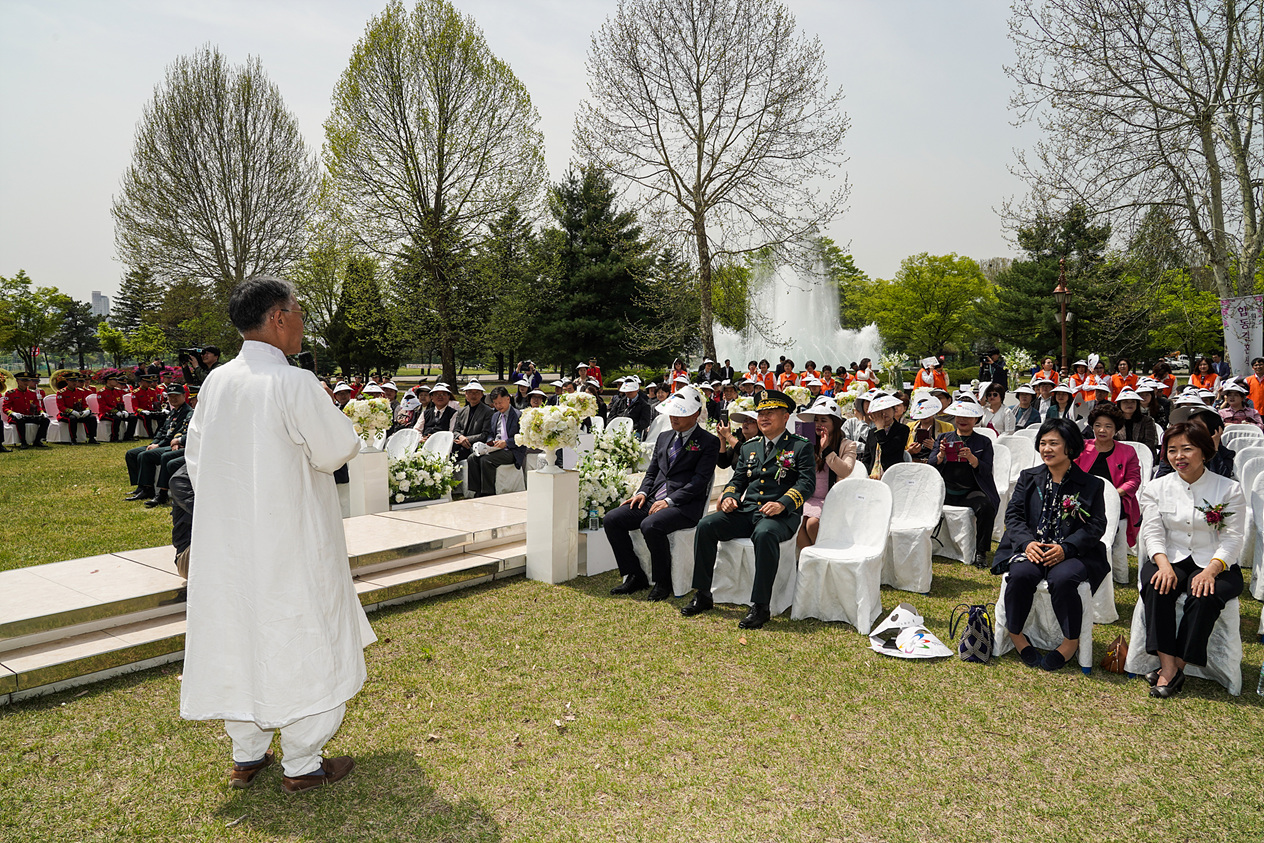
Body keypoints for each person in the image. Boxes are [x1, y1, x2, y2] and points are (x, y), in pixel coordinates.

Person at [181, 276, 371, 793]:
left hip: (232, 540)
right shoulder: (293, 383)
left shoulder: (217, 382)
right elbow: (335, 448)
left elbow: (195, 459)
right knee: (304, 630)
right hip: (291, 538)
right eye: (300, 314)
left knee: (239, 631)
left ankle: (247, 754)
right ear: (278, 318)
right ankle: (303, 762)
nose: (303, 325)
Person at [683, 389, 815, 629]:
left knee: (764, 533)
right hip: (748, 511)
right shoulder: (749, 447)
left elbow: (806, 483)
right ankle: (703, 594)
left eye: (771, 413)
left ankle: (761, 606)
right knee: (706, 526)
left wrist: (782, 503)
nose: (764, 418)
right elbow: (738, 480)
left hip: (780, 515)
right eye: (761, 413)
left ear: (786, 417)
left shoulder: (800, 446)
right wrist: (730, 497)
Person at [1138, 422, 1246, 698]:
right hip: (1170, 556)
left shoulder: (1229, 490)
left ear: (1205, 451)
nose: (1179, 456)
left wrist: (1211, 570)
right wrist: (1162, 565)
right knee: (1156, 585)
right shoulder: (1155, 487)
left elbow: (1232, 539)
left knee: (1205, 595)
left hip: (1215, 561)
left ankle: (1174, 668)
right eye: (1172, 450)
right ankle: (1167, 665)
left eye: (1187, 449)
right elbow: (1152, 532)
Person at [995, 417, 1109, 670]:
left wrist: (1066, 548)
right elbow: (1013, 516)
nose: (1046, 449)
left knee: (1063, 579)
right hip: (1032, 548)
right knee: (1021, 574)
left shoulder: (1091, 485)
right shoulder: (1029, 477)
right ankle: (1016, 634)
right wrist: (1026, 544)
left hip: (1071, 552)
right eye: (1043, 443)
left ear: (1070, 447)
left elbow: (1096, 526)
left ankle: (1070, 642)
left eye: (1054, 443)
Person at [605, 389, 720, 600]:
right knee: (612, 519)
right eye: (672, 413)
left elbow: (699, 481)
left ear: (695, 415)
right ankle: (635, 575)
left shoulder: (708, 441)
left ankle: (662, 581)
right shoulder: (664, 437)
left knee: (651, 525)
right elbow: (652, 471)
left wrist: (670, 500)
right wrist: (641, 492)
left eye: (680, 413)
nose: (674, 418)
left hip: (683, 506)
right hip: (653, 499)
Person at [928, 400, 1000, 567]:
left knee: (986, 507)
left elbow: (986, 470)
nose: (963, 420)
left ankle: (981, 551)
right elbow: (930, 466)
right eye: (960, 416)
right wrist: (940, 455)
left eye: (968, 417)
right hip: (945, 490)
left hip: (970, 491)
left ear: (976, 420)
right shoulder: (943, 438)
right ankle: (927, 543)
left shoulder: (983, 442)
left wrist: (972, 458)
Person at [1076, 402, 1142, 550]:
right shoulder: (1083, 447)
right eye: (1097, 425)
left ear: (1116, 429)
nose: (1102, 430)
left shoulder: (1128, 451)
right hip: (1083, 499)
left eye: (1108, 426)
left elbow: (1134, 480)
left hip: (1116, 501)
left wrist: (1112, 495)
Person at [795, 397, 857, 552]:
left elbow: (845, 470)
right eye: (816, 420)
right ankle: (810, 560)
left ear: (835, 423)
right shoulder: (808, 440)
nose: (818, 424)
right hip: (807, 496)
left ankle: (823, 556)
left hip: (830, 498)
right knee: (795, 522)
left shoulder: (847, 444)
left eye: (824, 420)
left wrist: (827, 450)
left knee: (812, 523)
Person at [124, 384, 194, 502]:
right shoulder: (173, 412)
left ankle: (149, 489)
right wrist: (154, 442)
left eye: (176, 396)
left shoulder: (186, 412)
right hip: (161, 442)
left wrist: (158, 445)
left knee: (145, 455)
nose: (173, 399)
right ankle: (140, 486)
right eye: (170, 396)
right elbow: (162, 430)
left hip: (169, 444)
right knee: (131, 453)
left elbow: (174, 434)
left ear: (184, 396)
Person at [465, 386, 524, 498]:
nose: (498, 406)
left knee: (485, 460)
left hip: (511, 450)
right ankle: (476, 489)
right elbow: (491, 433)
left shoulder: (518, 415)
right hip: (495, 448)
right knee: (472, 458)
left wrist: (506, 442)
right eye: (495, 403)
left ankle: (488, 492)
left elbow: (522, 437)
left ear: (508, 399)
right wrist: (489, 443)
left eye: (500, 403)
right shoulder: (495, 415)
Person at [1155, 405, 1235, 480]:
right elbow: (1161, 477)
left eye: (1196, 426)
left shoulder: (1225, 454)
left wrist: (1214, 450)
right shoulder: (1175, 450)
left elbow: (1222, 479)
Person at [865, 393, 910, 477]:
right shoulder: (872, 432)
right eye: (879, 410)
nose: (883, 413)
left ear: (894, 410)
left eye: (887, 409)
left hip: (894, 475)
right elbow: (867, 459)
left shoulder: (902, 429)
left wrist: (880, 429)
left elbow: (887, 450)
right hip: (872, 476)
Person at [3, 372, 51, 448]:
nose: (26, 383)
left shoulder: (32, 393)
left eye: (28, 380)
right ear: (18, 381)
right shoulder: (11, 393)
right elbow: (5, 408)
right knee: (20, 421)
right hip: (17, 417)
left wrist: (42, 412)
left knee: (45, 420)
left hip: (29, 416)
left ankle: (37, 441)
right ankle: (23, 442)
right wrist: (13, 413)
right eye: (24, 380)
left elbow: (37, 406)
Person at [451, 381, 493, 462]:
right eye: (470, 392)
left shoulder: (488, 411)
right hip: (459, 443)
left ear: (481, 395)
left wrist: (465, 439)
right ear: (466, 395)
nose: (473, 395)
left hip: (475, 446)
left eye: (477, 392)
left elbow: (485, 434)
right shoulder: (462, 411)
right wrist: (461, 437)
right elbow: (456, 430)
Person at [1115, 388, 1159, 457]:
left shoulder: (1147, 421)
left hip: (1142, 456)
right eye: (1125, 402)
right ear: (1119, 404)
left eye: (1133, 401)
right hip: (1119, 456)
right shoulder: (1114, 421)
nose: (1129, 404)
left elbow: (1149, 443)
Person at [57, 374, 98, 444]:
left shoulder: (80, 391)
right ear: (67, 381)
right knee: (72, 419)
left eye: (76, 381)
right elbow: (61, 407)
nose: (74, 383)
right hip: (66, 414)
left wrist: (87, 410)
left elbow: (84, 404)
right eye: (72, 381)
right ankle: (73, 439)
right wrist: (71, 411)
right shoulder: (61, 392)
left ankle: (92, 437)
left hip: (79, 413)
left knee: (92, 418)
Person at [905, 394, 941, 462]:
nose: (925, 416)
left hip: (935, 465)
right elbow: (901, 453)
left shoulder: (947, 427)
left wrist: (935, 447)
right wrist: (910, 451)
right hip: (913, 464)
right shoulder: (908, 427)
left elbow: (950, 452)